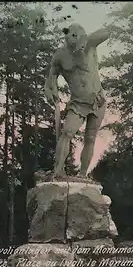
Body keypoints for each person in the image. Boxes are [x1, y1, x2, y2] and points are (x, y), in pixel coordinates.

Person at [44, 23, 111, 178]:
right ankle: (58, 170)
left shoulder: (89, 46)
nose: (70, 37)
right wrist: (50, 89)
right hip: (78, 103)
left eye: (75, 34)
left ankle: (82, 174)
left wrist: (87, 39)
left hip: (97, 100)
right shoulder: (61, 55)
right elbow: (52, 75)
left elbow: (105, 32)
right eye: (68, 34)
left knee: (90, 137)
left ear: (80, 35)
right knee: (67, 132)